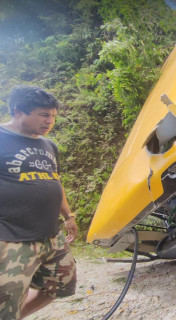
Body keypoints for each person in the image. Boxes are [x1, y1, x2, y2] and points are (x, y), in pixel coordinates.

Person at [0, 85, 78, 319]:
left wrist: (68, 216)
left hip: (50, 236)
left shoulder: (48, 145)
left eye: (53, 116)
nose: (50, 121)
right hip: (12, 239)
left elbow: (54, 181)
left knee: (61, 284)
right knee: (6, 304)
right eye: (44, 115)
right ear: (19, 111)